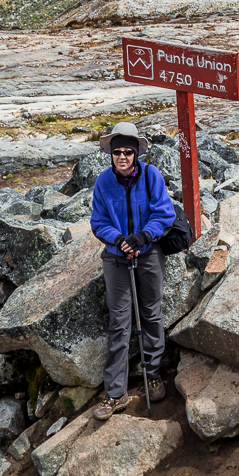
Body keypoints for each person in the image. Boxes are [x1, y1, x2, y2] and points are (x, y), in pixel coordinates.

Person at [90, 120, 176, 420]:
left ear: (136, 152)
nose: (123, 157)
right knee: (119, 323)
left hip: (148, 252)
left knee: (151, 313)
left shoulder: (151, 176)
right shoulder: (103, 182)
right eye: (117, 153)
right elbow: (98, 221)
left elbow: (164, 212)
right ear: (111, 154)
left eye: (128, 151)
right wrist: (118, 240)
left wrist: (144, 236)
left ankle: (152, 374)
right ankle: (115, 393)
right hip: (116, 257)